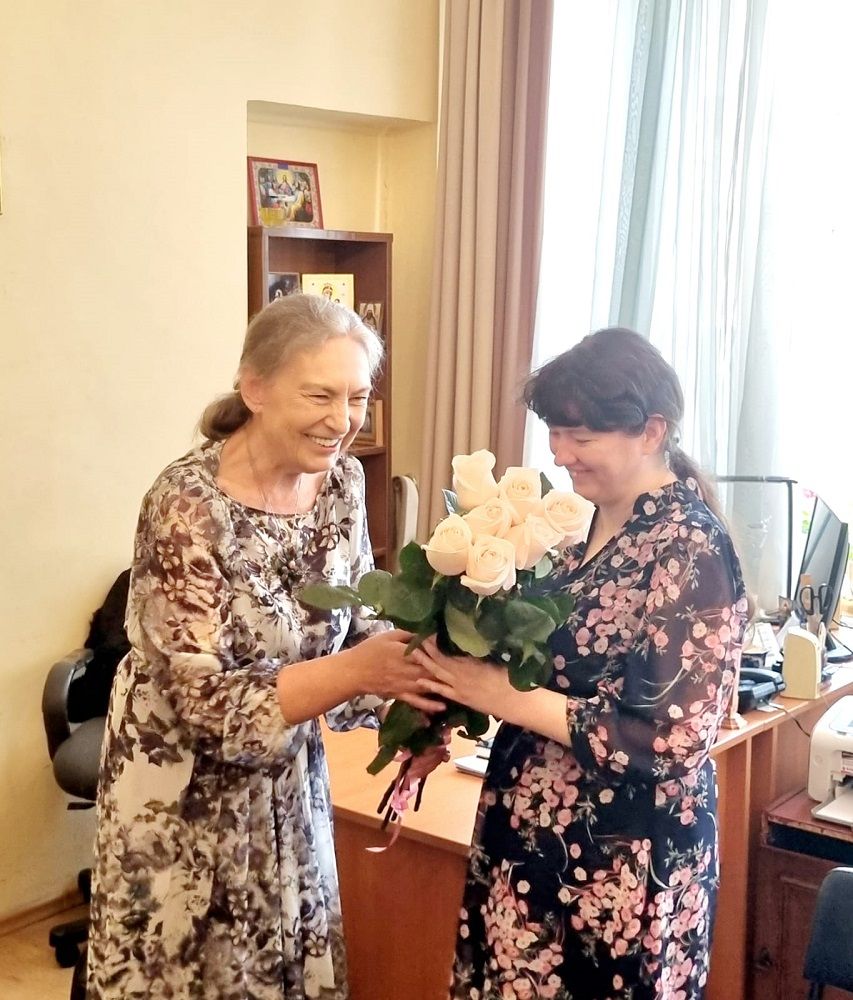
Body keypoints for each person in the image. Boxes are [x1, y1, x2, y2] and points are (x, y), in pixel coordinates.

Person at [87, 294, 442, 1000]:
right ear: (254, 387)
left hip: (288, 782)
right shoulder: (186, 504)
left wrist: (407, 708)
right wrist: (357, 672)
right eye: (319, 395)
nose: (342, 420)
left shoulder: (343, 481)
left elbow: (356, 621)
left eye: (357, 398)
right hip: (182, 792)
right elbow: (205, 703)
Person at [413, 328, 748, 1000]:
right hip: (531, 837)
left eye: (581, 438)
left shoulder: (688, 545)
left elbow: (672, 737)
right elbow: (539, 659)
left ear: (651, 431)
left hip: (620, 860)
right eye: (555, 433)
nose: (561, 454)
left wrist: (503, 695)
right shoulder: (576, 527)